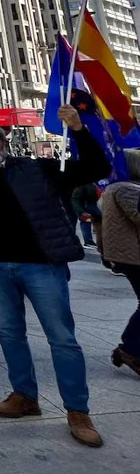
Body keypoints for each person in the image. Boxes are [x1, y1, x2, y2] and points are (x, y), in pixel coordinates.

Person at [0, 111, 111, 447]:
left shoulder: (38, 168)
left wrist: (78, 129)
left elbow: (97, 169)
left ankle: (78, 411)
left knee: (62, 339)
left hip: (42, 266)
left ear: (3, 143)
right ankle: (24, 395)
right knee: (10, 334)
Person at [101, 149, 140, 378]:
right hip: (133, 255)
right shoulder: (126, 188)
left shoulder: (121, 187)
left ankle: (129, 347)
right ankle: (129, 349)